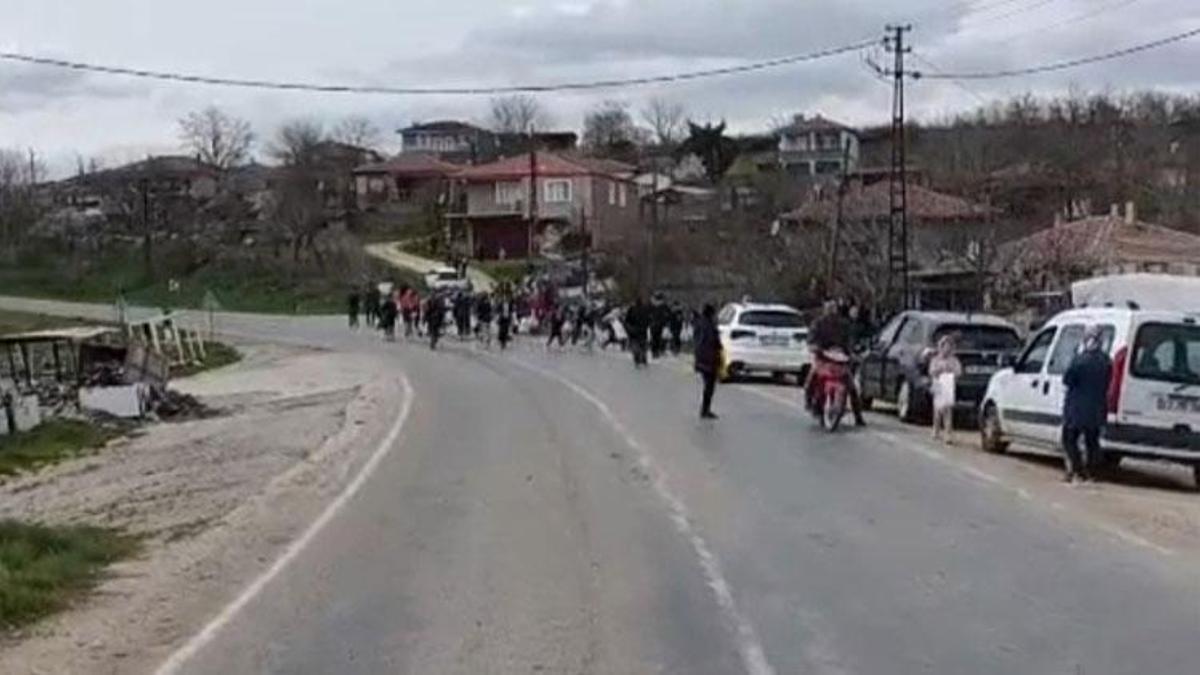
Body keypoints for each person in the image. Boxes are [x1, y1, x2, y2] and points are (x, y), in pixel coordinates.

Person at [1061, 325, 1113, 483]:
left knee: (1069, 439)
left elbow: (1067, 379)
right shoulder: (1106, 361)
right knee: (1092, 441)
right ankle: (1092, 472)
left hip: (1076, 409)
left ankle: (1077, 470)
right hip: (1097, 408)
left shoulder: (1080, 359)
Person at [807, 300, 865, 426]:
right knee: (812, 378)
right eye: (829, 309)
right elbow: (812, 338)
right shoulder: (818, 324)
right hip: (823, 358)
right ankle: (809, 402)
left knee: (851, 386)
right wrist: (815, 346)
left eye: (833, 309)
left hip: (840, 360)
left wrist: (851, 352)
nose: (831, 312)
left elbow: (850, 340)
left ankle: (858, 416)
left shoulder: (844, 325)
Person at [928, 334, 963, 444]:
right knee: (938, 409)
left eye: (949, 346)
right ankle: (936, 429)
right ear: (941, 347)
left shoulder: (954, 360)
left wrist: (950, 371)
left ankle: (948, 433)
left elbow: (958, 372)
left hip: (948, 385)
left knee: (948, 409)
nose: (947, 349)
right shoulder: (935, 359)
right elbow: (931, 371)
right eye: (945, 346)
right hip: (938, 384)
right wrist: (939, 370)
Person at [693, 303, 722, 419]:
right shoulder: (708, 325)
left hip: (701, 357)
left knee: (708, 385)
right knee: (709, 385)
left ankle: (705, 409)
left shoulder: (700, 323)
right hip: (709, 359)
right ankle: (705, 410)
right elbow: (711, 341)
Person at [625, 297, 650, 367]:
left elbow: (627, 321)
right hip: (642, 332)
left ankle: (637, 360)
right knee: (643, 347)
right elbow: (648, 320)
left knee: (636, 347)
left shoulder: (631, 309)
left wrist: (629, 329)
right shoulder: (645, 310)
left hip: (634, 332)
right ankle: (644, 360)